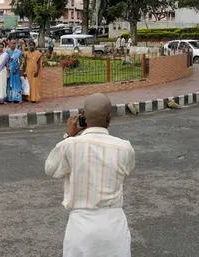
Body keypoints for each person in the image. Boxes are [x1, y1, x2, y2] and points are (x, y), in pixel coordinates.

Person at [45, 93, 135, 257]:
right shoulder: (125, 148)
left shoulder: (70, 146)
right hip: (114, 227)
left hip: (80, 228)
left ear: (83, 118)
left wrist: (68, 136)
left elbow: (50, 169)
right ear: (109, 118)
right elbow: (128, 168)